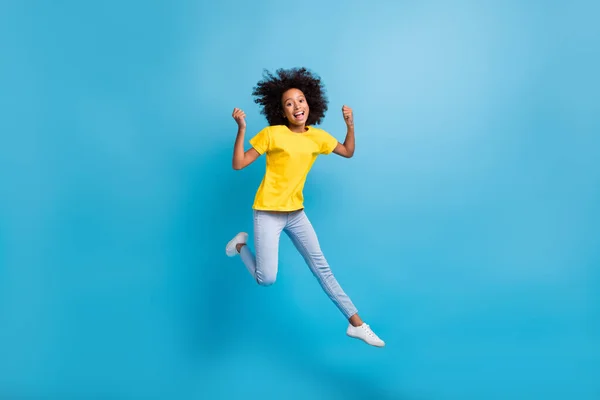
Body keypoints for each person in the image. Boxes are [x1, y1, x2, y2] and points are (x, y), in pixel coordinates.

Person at [225, 67, 385, 347]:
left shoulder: (318, 137)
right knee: (266, 279)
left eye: (300, 100)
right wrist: (241, 130)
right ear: (281, 111)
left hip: (296, 214)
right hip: (267, 213)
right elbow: (238, 164)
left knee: (323, 269)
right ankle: (240, 246)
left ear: (310, 102)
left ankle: (357, 324)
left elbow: (347, 152)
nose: (296, 106)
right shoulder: (272, 134)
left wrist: (350, 124)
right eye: (289, 103)